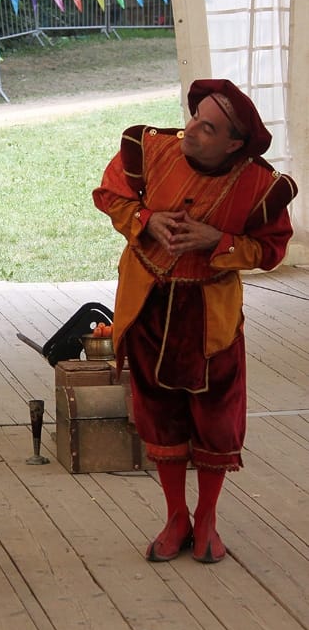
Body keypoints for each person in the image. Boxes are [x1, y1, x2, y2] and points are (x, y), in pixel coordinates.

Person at [93, 79, 297, 564]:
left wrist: (217, 241)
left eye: (208, 128)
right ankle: (175, 517)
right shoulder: (148, 149)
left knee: (215, 417)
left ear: (234, 144)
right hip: (148, 302)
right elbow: (110, 194)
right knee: (158, 412)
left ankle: (206, 519)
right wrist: (146, 219)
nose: (191, 130)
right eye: (194, 117)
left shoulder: (260, 186)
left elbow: (270, 249)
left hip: (209, 317)